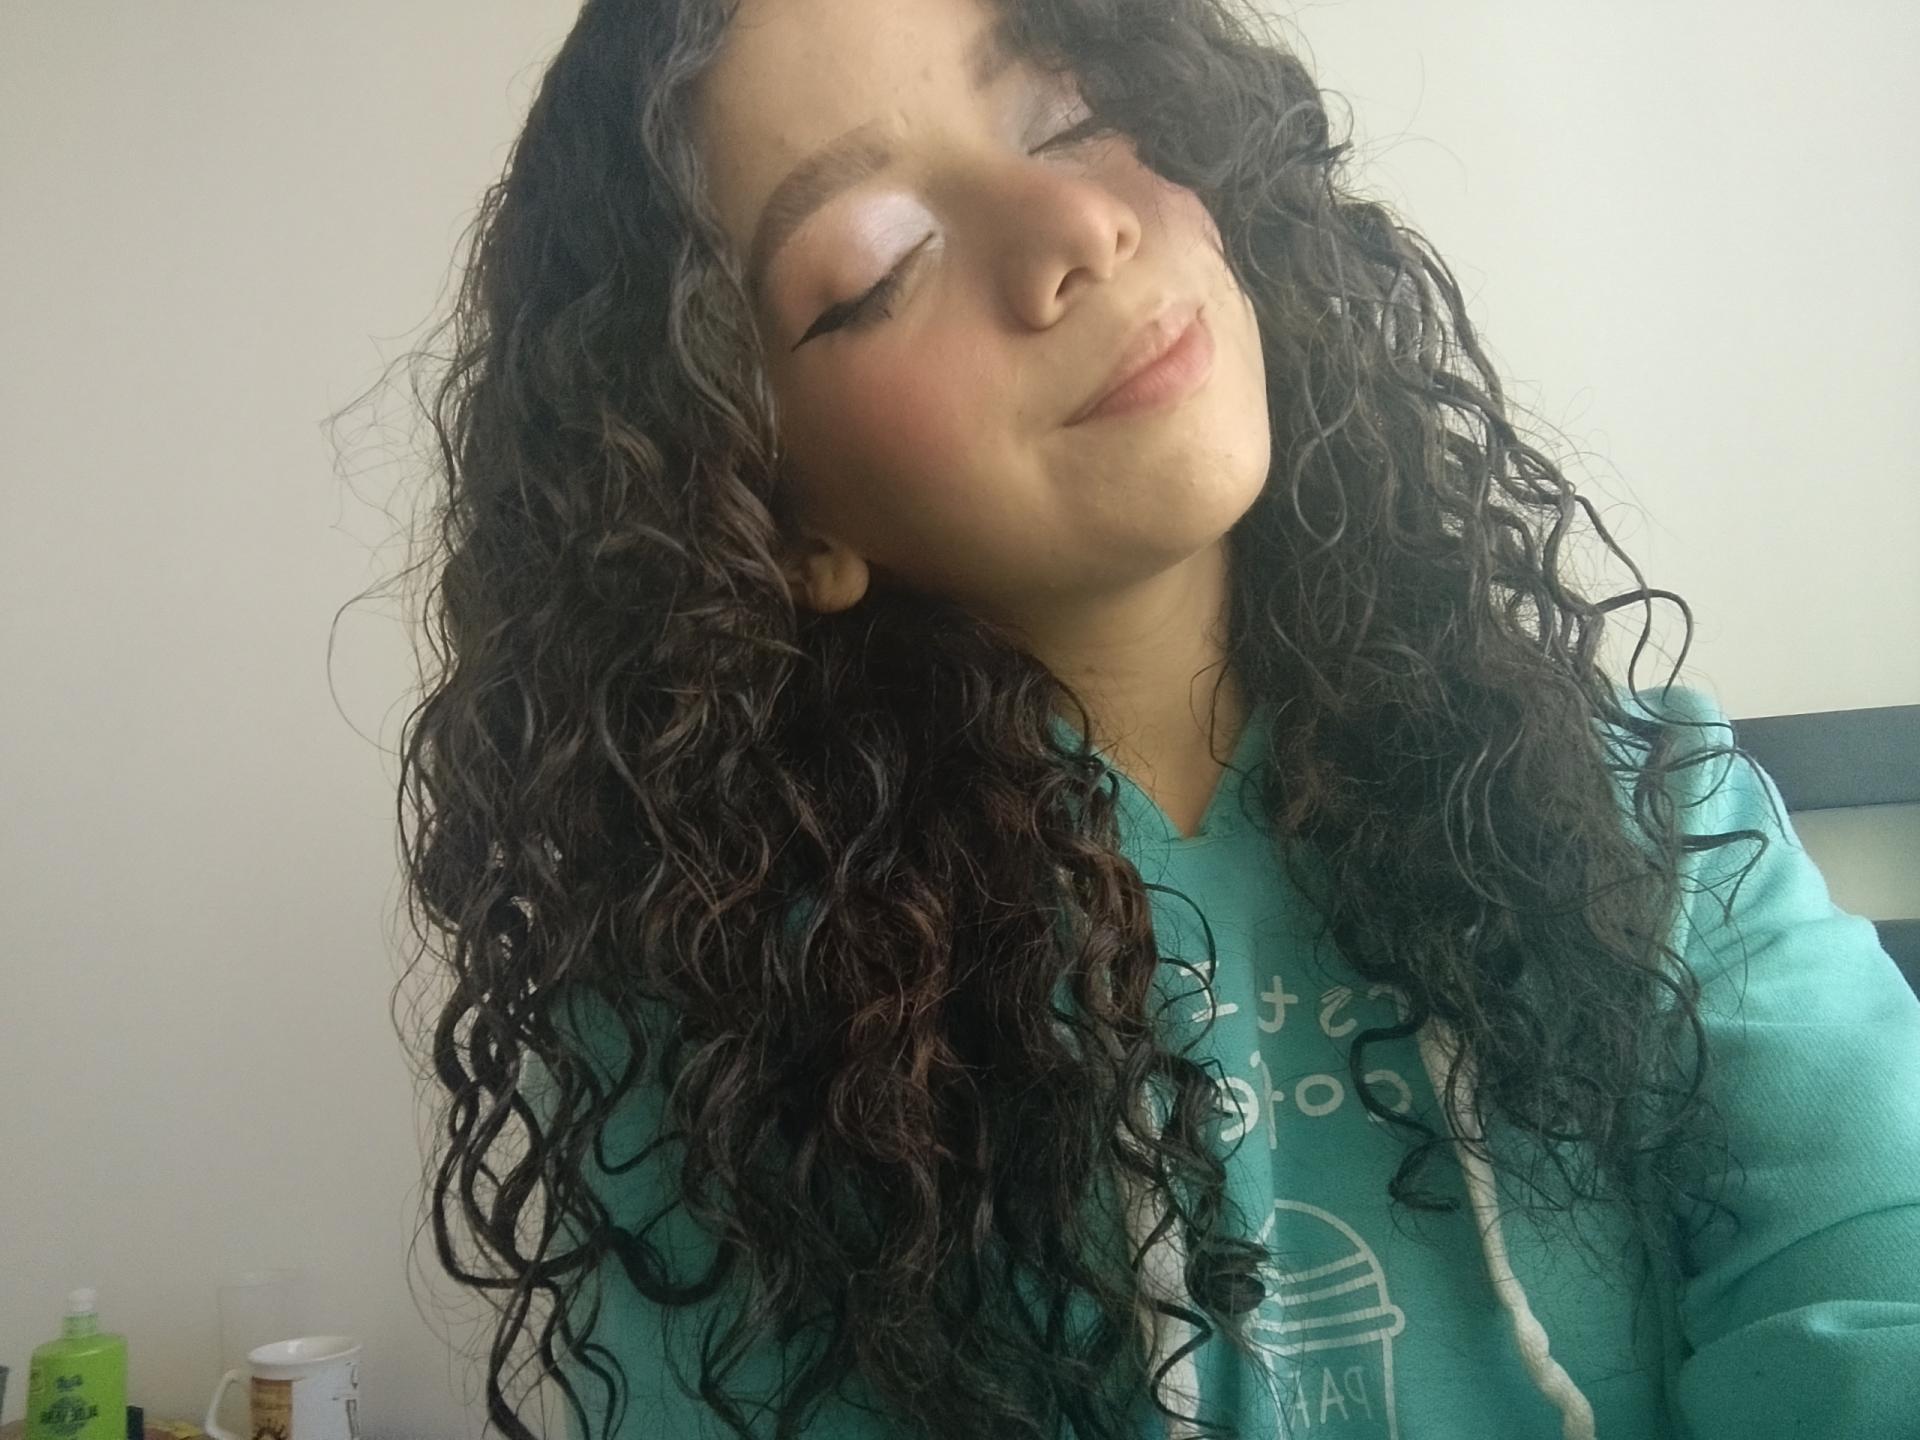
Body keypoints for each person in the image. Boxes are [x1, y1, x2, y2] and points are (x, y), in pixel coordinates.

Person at [390, 0, 1920, 1435]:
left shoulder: (1654, 816)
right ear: (768, 507)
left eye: (1071, 118)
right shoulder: (711, 1017)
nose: (1075, 227)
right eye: (877, 266)